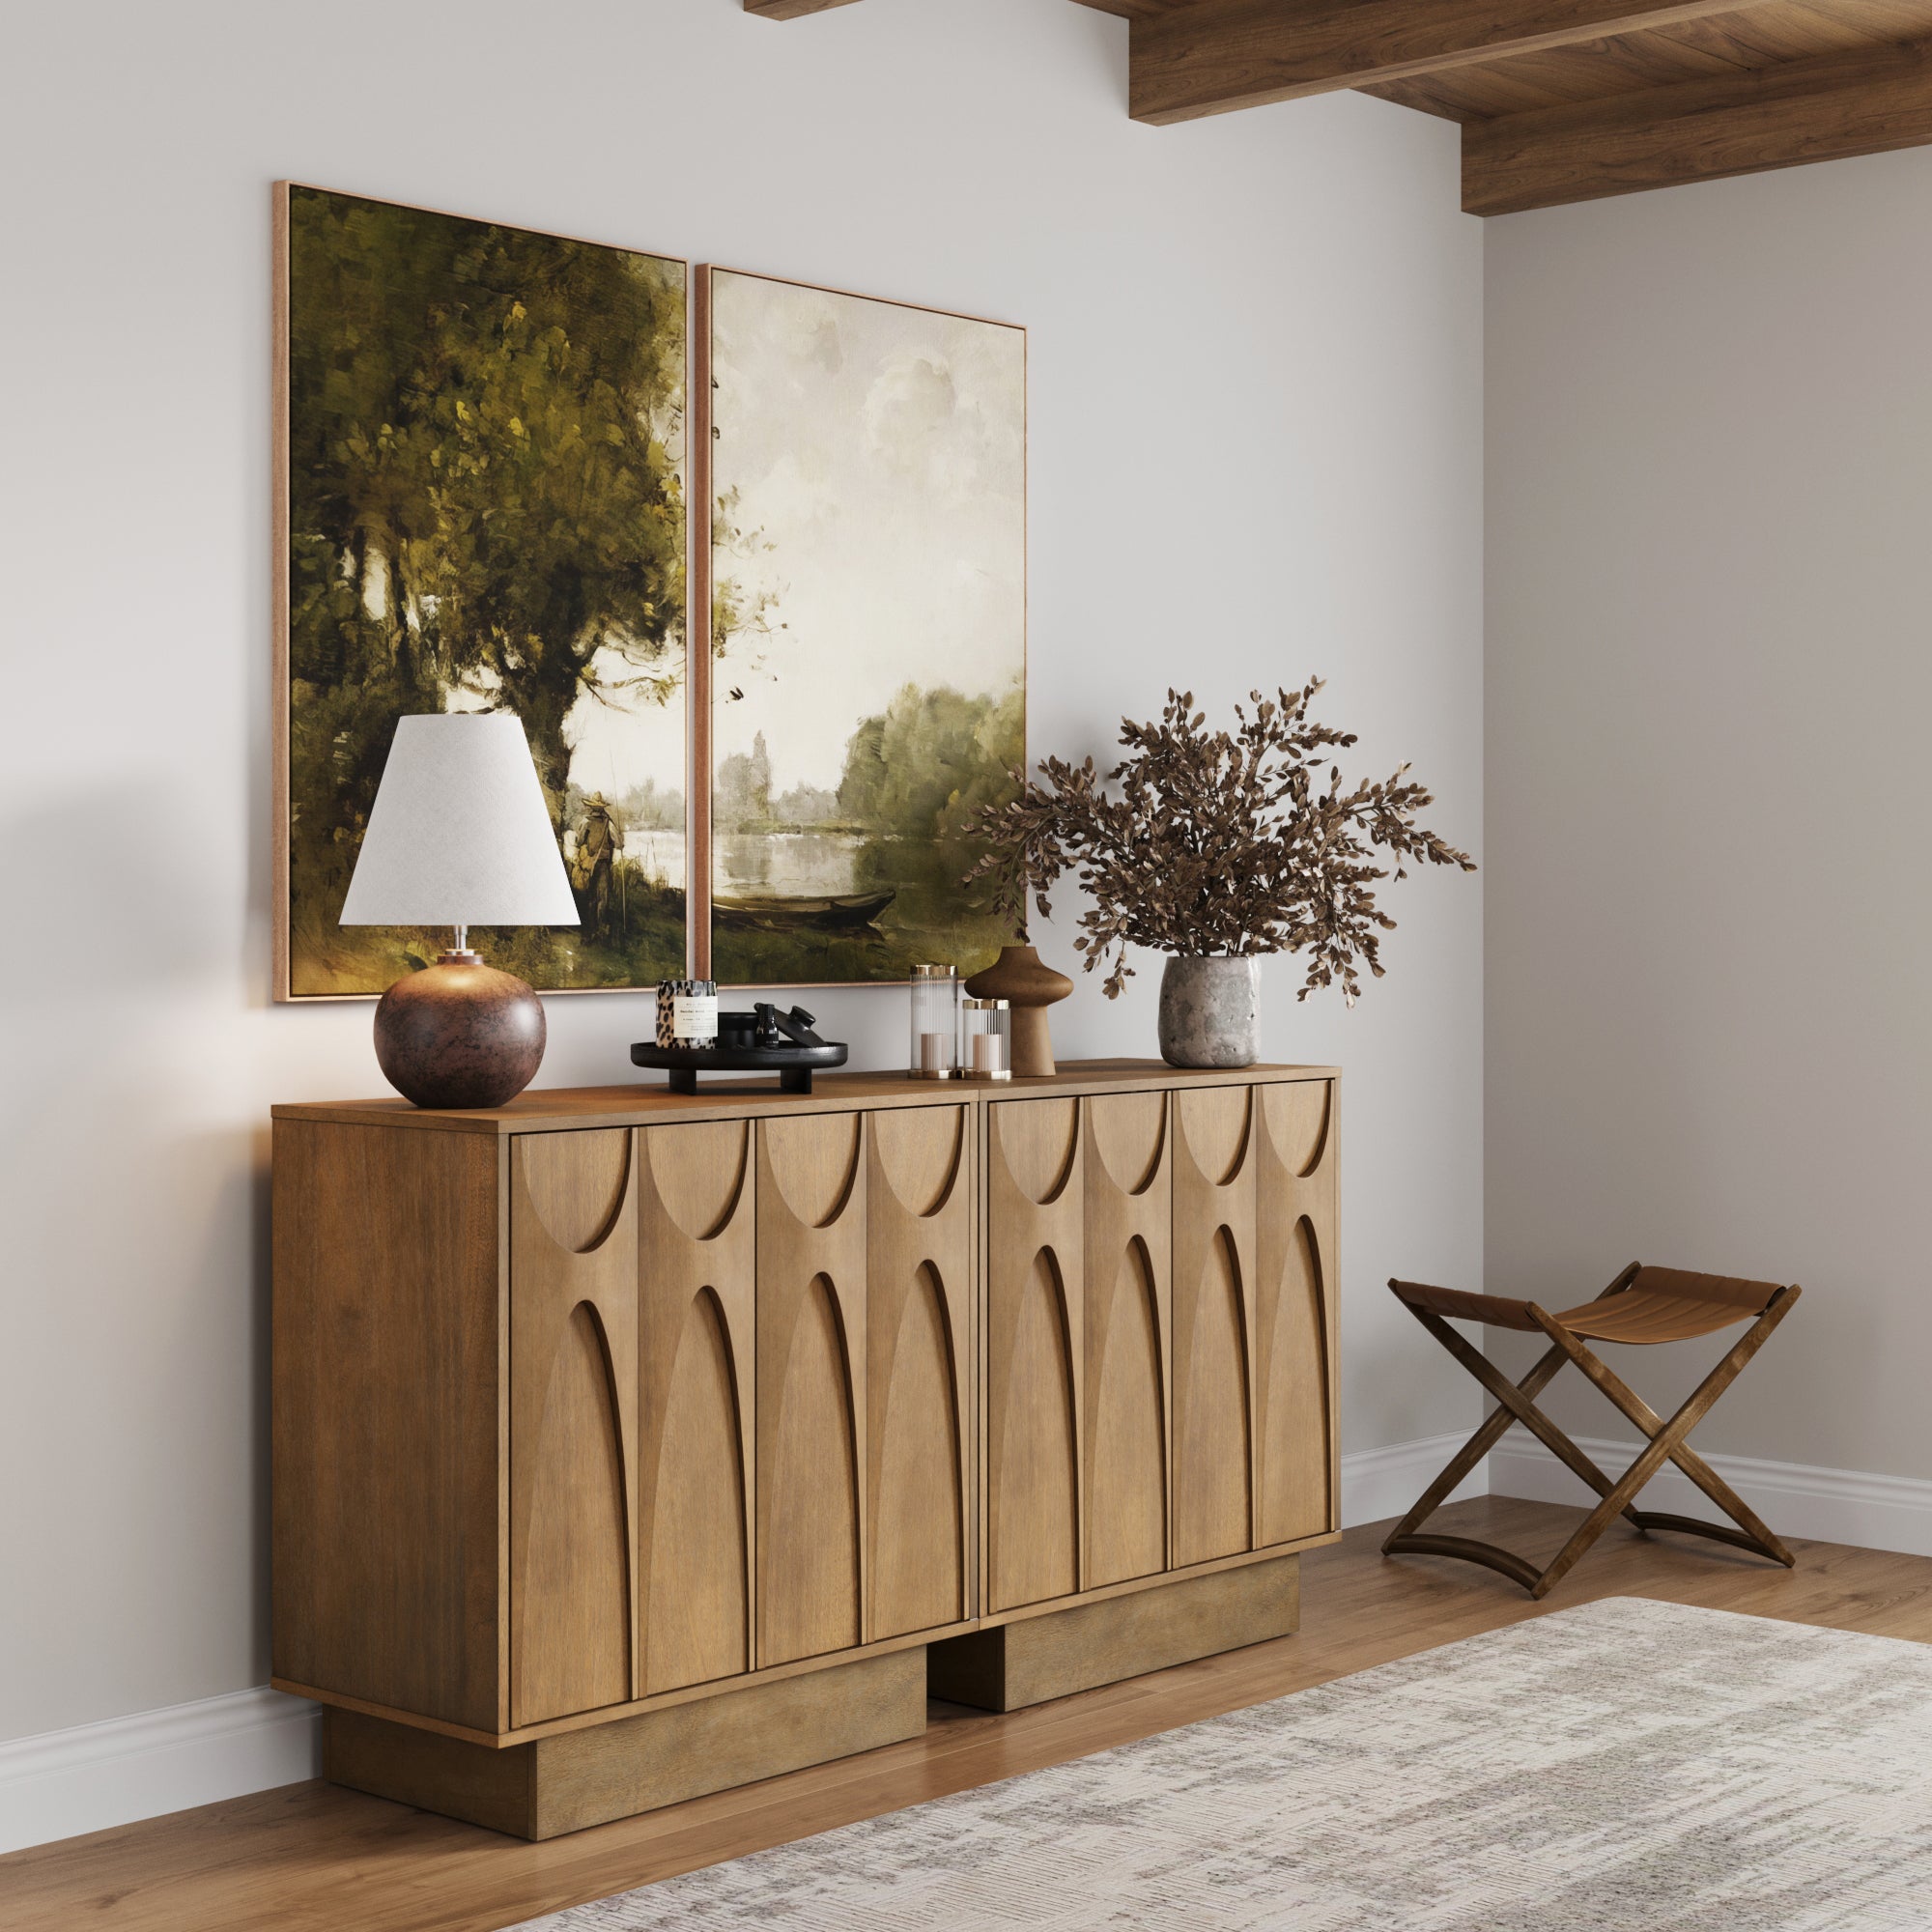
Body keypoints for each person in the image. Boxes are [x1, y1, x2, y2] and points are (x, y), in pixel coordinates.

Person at [569, 792, 624, 941]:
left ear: (591, 806)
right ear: (601, 808)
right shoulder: (609, 823)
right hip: (603, 865)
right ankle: (601, 929)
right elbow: (619, 844)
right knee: (602, 897)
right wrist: (619, 842)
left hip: (588, 865)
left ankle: (588, 931)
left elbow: (579, 841)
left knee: (589, 896)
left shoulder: (585, 821)